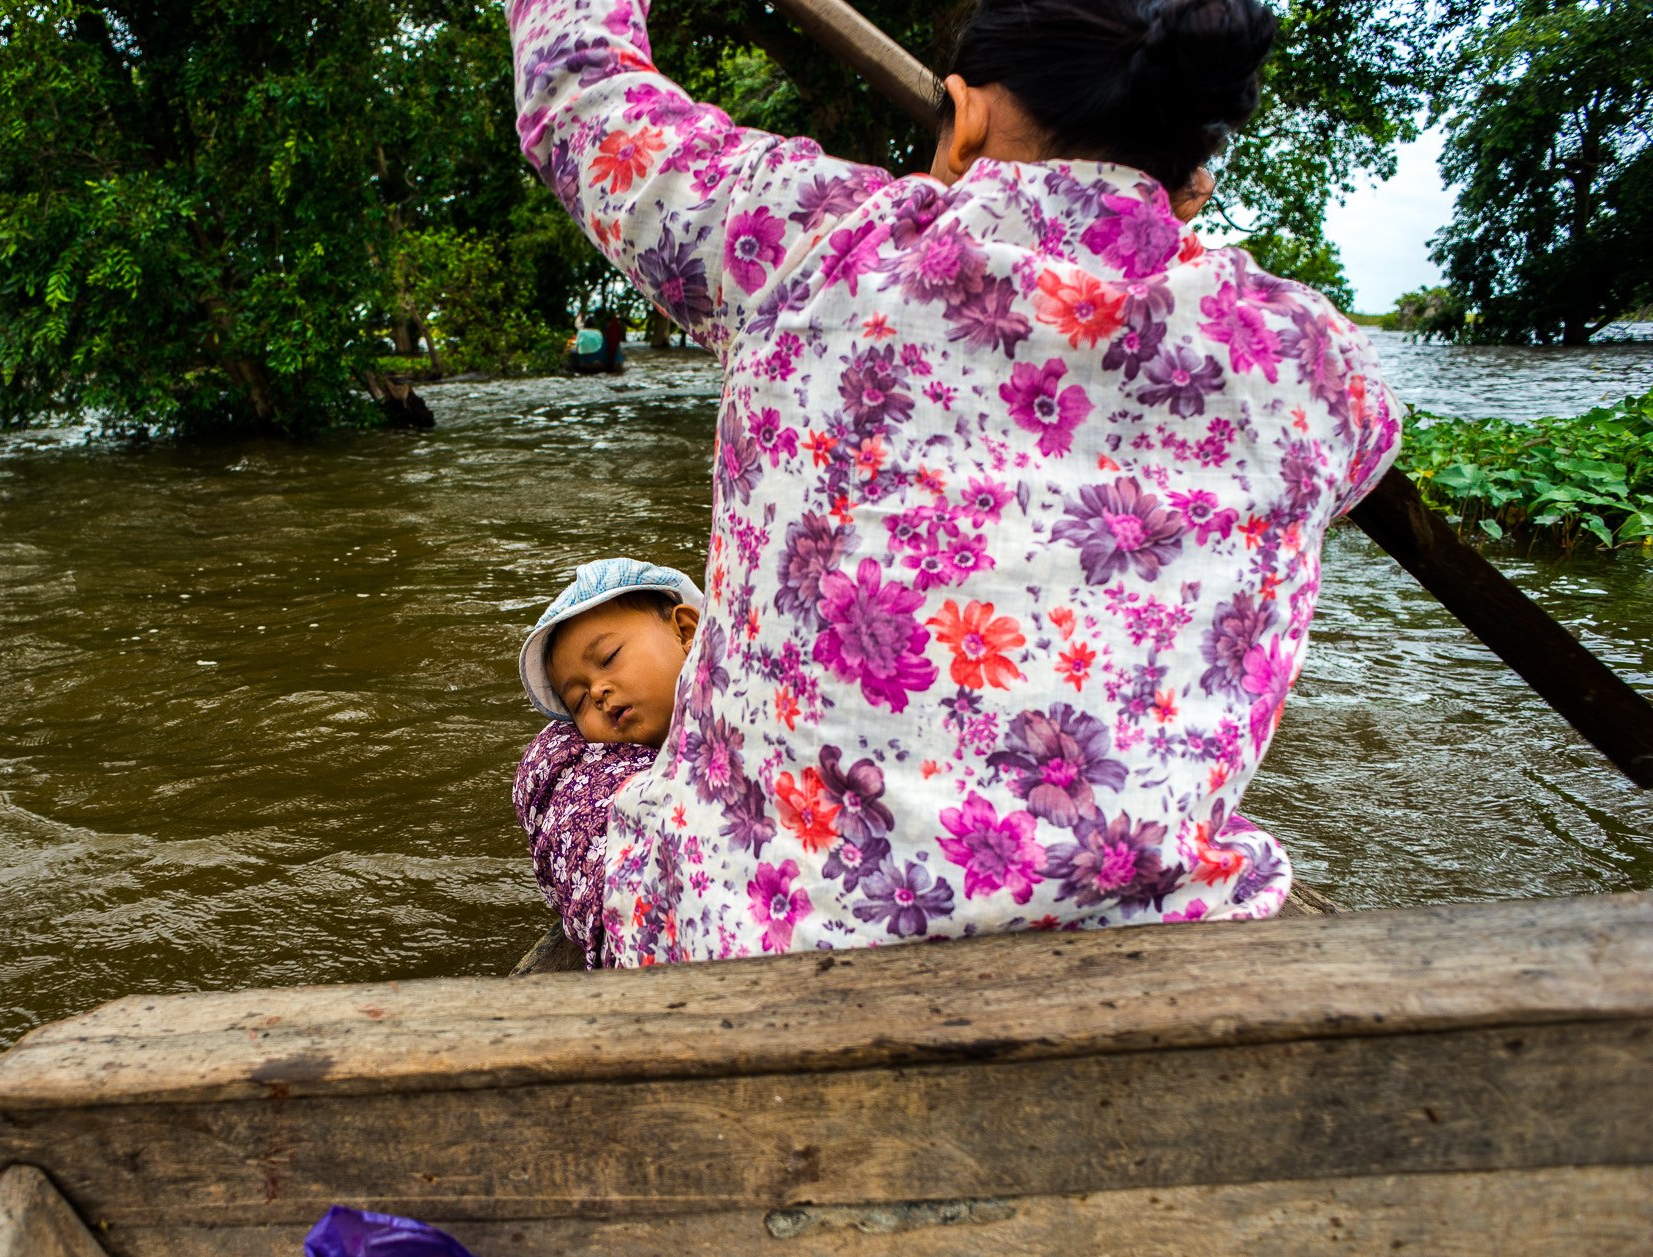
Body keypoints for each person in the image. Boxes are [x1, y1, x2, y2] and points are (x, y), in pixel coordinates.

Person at [509, 0, 1404, 966]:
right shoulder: (1315, 363)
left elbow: (577, 90)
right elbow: (1347, 473)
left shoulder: (811, 239)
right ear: (1192, 169)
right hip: (1147, 938)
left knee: (562, 761)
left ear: (966, 113)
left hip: (749, 951)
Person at [513, 559, 703, 968]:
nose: (597, 691)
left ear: (685, 631)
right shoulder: (586, 767)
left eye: (609, 656)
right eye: (578, 701)